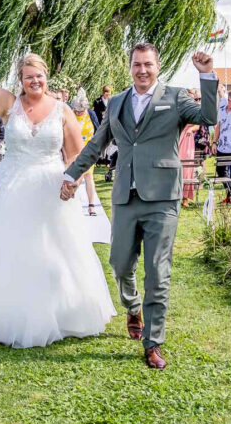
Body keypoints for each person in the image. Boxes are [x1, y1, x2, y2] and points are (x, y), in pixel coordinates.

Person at [0, 19, 116, 349]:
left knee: (53, 251)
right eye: (29, 76)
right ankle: (0, 312)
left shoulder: (62, 111)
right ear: (21, 79)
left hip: (50, 188)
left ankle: (61, 311)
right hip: (11, 186)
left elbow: (76, 156)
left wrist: (70, 184)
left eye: (40, 76)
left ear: (47, 78)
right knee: (5, 248)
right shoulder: (8, 104)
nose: (35, 81)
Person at [64, 37, 218, 370]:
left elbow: (208, 117)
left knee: (158, 272)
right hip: (125, 196)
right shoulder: (117, 102)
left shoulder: (175, 97)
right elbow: (96, 144)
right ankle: (133, 308)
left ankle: (153, 343)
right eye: (137, 65)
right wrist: (71, 174)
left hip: (163, 197)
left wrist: (206, 76)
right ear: (130, 67)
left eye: (148, 64)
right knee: (119, 263)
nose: (142, 70)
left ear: (157, 66)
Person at [70, 91, 106, 219]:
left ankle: (91, 205)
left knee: (88, 177)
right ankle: (70, 204)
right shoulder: (70, 114)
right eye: (76, 111)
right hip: (73, 150)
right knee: (74, 178)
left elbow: (99, 130)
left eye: (81, 111)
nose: (78, 113)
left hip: (88, 150)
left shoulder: (91, 114)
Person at [179, 89, 200, 206]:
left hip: (187, 140)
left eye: (194, 98)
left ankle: (185, 198)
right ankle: (175, 196)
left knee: (187, 168)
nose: (192, 100)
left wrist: (190, 129)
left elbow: (197, 125)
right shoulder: (178, 109)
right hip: (177, 138)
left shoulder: (195, 110)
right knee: (176, 166)